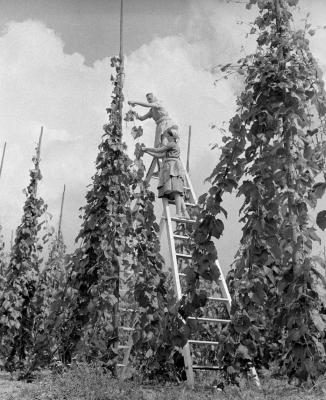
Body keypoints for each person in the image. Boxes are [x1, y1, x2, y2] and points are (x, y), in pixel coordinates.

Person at [142, 126, 190, 219]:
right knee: (176, 191)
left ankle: (179, 213)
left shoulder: (171, 144)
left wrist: (146, 148)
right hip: (170, 167)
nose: (167, 137)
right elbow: (159, 155)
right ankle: (184, 213)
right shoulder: (170, 148)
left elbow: (158, 150)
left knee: (176, 190)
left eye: (168, 136)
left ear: (172, 137)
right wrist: (147, 152)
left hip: (172, 167)